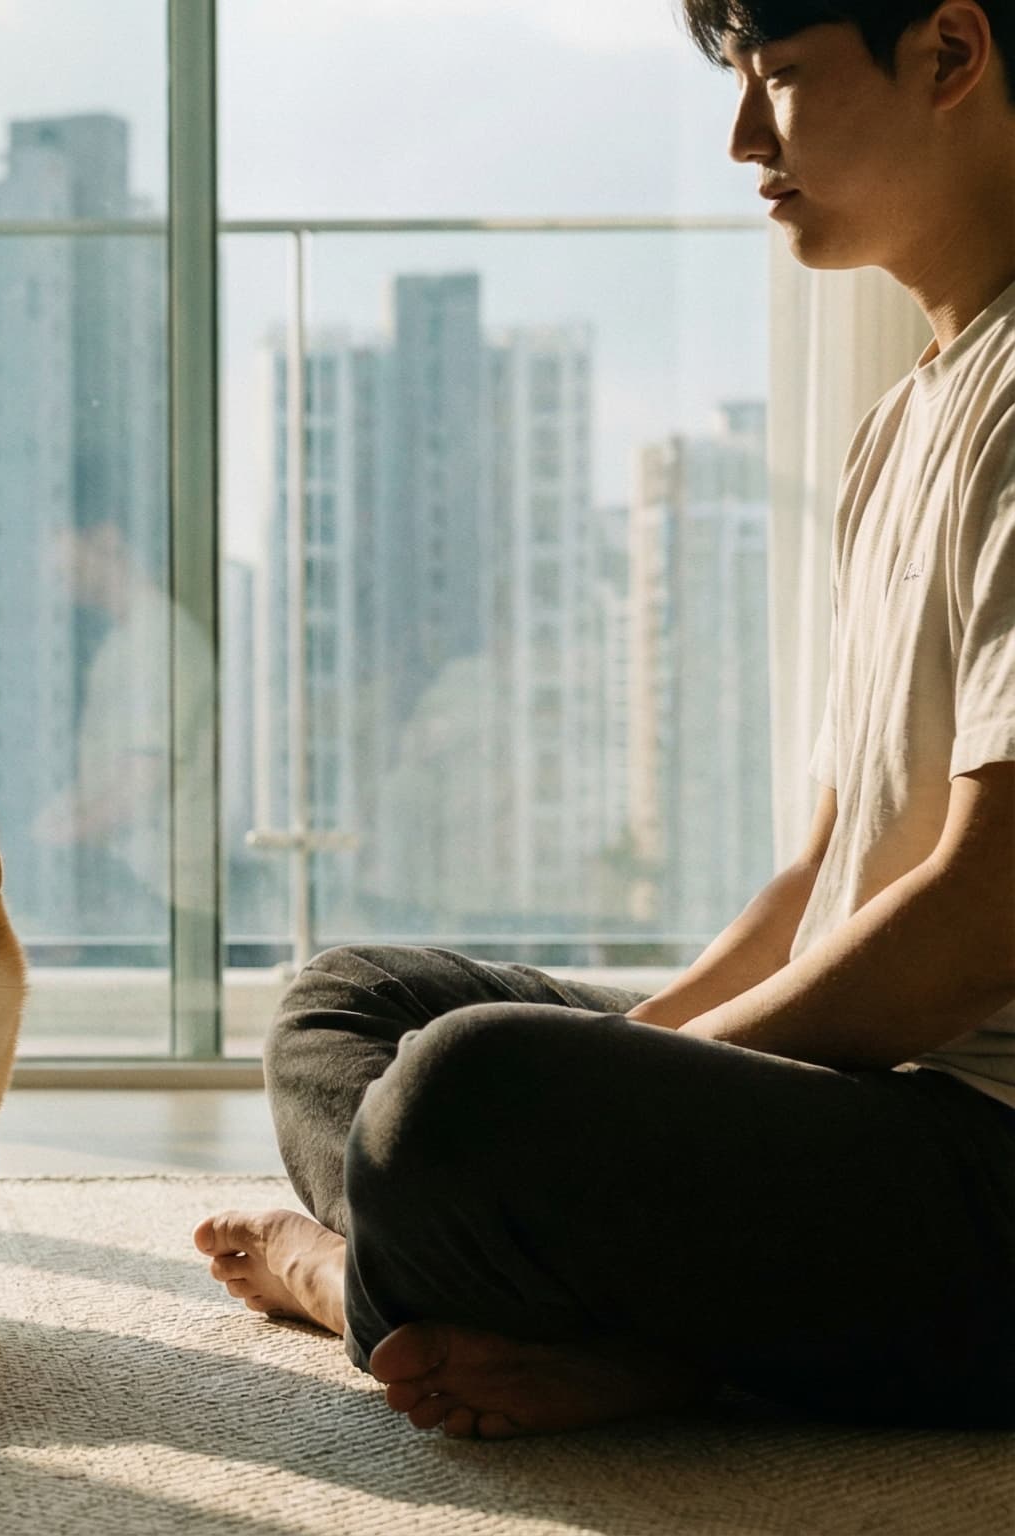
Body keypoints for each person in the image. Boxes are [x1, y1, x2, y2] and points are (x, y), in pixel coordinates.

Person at [195, 0, 1015, 1439]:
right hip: (871, 1109)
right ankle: (610, 1325)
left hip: (982, 1170)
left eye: (781, 82)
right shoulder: (904, 422)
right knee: (346, 1007)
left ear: (950, 56)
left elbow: (988, 906)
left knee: (463, 1096)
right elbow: (813, 885)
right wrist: (638, 1073)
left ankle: (350, 1282)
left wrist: (626, 1101)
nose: (742, 136)